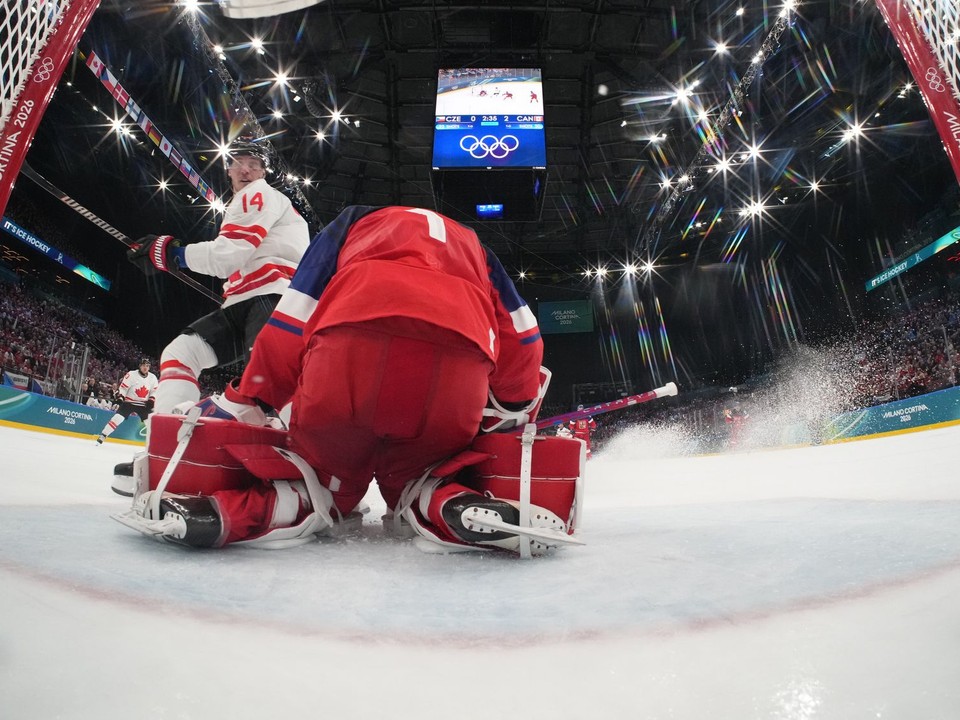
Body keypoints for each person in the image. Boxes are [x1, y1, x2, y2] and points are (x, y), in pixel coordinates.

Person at [117, 205, 581, 556]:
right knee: (417, 481)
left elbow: (291, 319)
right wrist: (509, 412)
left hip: (348, 350)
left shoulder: (349, 224)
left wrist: (250, 395)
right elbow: (524, 340)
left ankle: (218, 514)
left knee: (321, 486)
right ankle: (446, 503)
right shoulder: (477, 246)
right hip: (455, 366)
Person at [113, 138, 310, 493]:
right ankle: (166, 450)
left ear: (264, 171)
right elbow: (232, 265)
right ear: (229, 168)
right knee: (180, 354)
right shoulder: (248, 202)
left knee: (271, 386)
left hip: (273, 299)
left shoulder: (260, 195)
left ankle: (307, 470)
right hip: (247, 302)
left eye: (254, 163)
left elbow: (227, 256)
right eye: (239, 162)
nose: (247, 169)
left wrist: (172, 254)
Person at [95, 359, 157, 444]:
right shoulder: (131, 374)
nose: (145, 368)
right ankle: (103, 435)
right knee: (117, 418)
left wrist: (152, 399)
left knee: (151, 422)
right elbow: (123, 388)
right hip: (129, 402)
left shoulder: (153, 377)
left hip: (144, 404)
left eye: (147, 366)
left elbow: (154, 391)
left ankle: (155, 443)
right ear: (140, 366)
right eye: (143, 365)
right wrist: (121, 397)